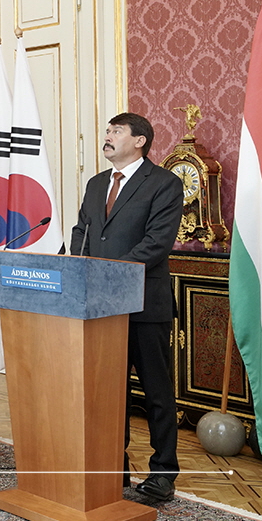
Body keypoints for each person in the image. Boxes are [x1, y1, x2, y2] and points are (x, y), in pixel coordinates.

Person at [71, 112, 183, 501]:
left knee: (156, 391)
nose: (107, 136)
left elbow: (157, 243)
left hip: (144, 305)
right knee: (109, 391)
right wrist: (81, 266)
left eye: (116, 131)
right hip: (101, 307)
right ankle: (112, 466)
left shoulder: (165, 184)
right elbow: (82, 230)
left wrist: (108, 274)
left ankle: (163, 472)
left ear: (140, 141)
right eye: (106, 130)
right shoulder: (96, 183)